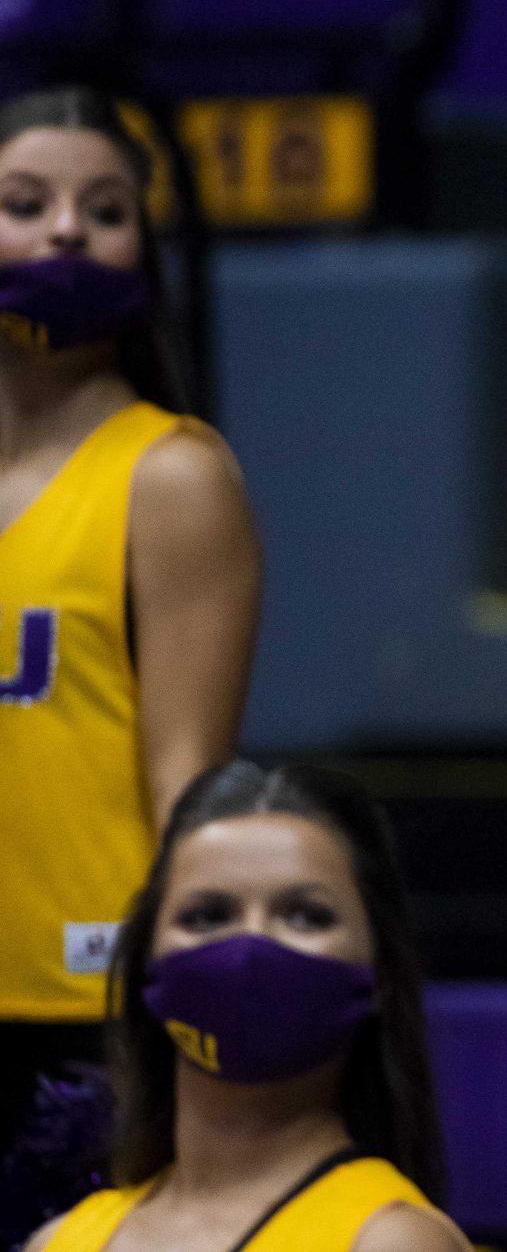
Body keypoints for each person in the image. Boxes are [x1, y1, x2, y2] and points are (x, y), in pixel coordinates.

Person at [1, 88, 261, 1167]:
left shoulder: (175, 475)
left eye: (105, 208)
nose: (67, 227)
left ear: (144, 257)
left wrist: (190, 1030)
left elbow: (188, 785)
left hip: (88, 1014)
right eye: (26, 201)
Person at [23, 760, 465, 1252]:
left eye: (306, 916)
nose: (250, 946)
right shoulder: (60, 1241)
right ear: (147, 964)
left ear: (380, 971)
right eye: (208, 915)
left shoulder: (392, 1240)